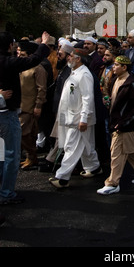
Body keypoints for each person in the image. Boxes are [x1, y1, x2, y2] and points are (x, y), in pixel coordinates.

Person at [0, 31, 50, 205]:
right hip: (7, 115)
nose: (16, 48)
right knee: (11, 156)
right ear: (8, 46)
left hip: (9, 112)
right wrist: (43, 44)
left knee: (1, 155)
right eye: (14, 45)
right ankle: (6, 192)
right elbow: (32, 60)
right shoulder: (7, 62)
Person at [97, 55, 134, 195]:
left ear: (124, 67)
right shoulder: (117, 79)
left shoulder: (131, 83)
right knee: (130, 149)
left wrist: (124, 122)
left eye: (116, 65)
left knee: (116, 153)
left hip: (123, 125)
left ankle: (113, 183)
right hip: (117, 122)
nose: (113, 67)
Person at [49, 48, 101, 188]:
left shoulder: (84, 75)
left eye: (71, 56)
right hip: (71, 117)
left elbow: (88, 98)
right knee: (86, 146)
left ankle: (62, 178)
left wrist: (84, 118)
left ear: (78, 59)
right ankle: (95, 167)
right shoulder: (74, 72)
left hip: (79, 119)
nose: (68, 58)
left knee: (71, 147)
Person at [38, 40, 74, 173]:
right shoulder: (63, 69)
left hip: (66, 111)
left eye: (61, 54)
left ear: (68, 56)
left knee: (62, 137)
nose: (58, 56)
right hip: (59, 109)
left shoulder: (70, 72)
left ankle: (52, 161)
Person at [18, 40, 48, 170]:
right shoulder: (19, 66)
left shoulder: (38, 68)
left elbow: (42, 88)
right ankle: (29, 157)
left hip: (31, 106)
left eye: (23, 54)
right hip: (19, 105)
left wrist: (38, 105)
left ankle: (32, 156)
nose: (19, 56)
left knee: (25, 133)